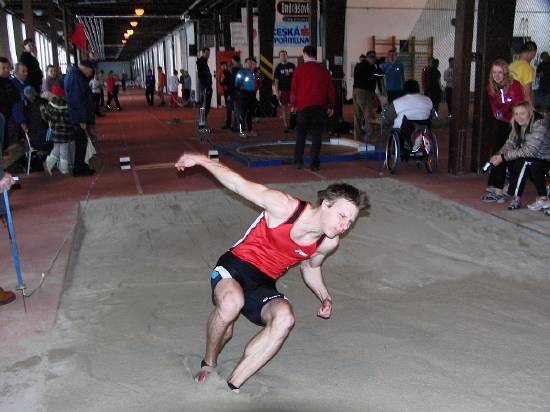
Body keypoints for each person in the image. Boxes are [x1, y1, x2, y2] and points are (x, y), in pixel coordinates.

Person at [174, 151, 370, 391]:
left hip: (263, 283)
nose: (344, 226)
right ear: (326, 204)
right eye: (342, 216)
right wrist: (201, 160)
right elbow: (237, 184)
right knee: (231, 303)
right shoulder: (284, 207)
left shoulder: (328, 242)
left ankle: (232, 386)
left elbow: (311, 267)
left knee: (285, 319)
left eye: (350, 222)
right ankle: (208, 364)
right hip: (235, 266)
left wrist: (324, 296)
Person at [482, 101, 550, 210]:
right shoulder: (517, 125)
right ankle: (499, 191)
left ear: (530, 113)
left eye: (522, 113)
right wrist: (498, 156)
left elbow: (530, 151)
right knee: (502, 156)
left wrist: (503, 157)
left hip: (543, 159)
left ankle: (517, 198)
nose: (519, 117)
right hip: (527, 156)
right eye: (516, 114)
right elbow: (510, 143)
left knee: (523, 162)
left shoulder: (539, 125)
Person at [291, 45, 335, 171]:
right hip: (319, 108)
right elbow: (330, 90)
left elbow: (294, 89)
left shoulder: (299, 69)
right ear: (315, 55)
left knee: (301, 135)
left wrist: (293, 105)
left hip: (303, 108)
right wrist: (330, 106)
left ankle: (298, 161)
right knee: (317, 137)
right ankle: (314, 164)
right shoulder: (324, 70)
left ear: (305, 54)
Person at [64, 59, 96, 176]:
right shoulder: (76, 77)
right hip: (77, 117)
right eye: (90, 72)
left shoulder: (75, 75)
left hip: (77, 116)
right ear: (86, 68)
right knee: (81, 143)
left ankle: (82, 166)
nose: (89, 75)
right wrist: (82, 119)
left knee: (82, 142)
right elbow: (77, 99)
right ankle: (79, 169)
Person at [382, 79, 433, 150]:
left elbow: (388, 117)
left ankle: (407, 143)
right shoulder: (427, 100)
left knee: (389, 125)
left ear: (404, 89)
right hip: (424, 128)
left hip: (403, 130)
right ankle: (418, 139)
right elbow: (431, 115)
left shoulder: (397, 102)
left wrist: (384, 124)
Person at [41, 85, 73, 175]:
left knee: (57, 148)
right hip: (66, 132)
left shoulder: (50, 105)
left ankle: (49, 164)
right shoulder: (67, 105)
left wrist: (42, 110)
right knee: (63, 151)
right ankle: (63, 169)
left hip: (56, 131)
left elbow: (47, 117)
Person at [352, 50, 382, 141]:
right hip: (365, 93)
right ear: (371, 58)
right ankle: (372, 137)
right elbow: (379, 75)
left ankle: (357, 137)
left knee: (357, 117)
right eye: (374, 59)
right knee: (369, 116)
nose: (374, 61)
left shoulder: (358, 65)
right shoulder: (370, 67)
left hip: (355, 91)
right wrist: (378, 66)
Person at [274, 50, 296, 133]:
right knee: (284, 108)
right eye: (281, 55)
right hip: (283, 91)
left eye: (284, 55)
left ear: (287, 56)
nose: (283, 56)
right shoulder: (278, 67)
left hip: (292, 90)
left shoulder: (292, 66)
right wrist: (277, 92)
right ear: (279, 57)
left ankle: (291, 124)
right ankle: (286, 125)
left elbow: (296, 78)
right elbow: (276, 81)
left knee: (293, 108)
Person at [509, 41, 537, 106]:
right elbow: (527, 94)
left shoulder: (512, 65)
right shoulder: (527, 68)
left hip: (509, 103)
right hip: (519, 105)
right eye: (534, 55)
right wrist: (531, 109)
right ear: (533, 53)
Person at [234, 58, 257, 136]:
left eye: (251, 63)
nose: (250, 64)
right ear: (245, 63)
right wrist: (241, 90)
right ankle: (242, 131)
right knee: (242, 113)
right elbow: (237, 83)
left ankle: (250, 130)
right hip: (243, 94)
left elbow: (253, 83)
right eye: (248, 63)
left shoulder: (252, 72)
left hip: (251, 94)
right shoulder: (241, 72)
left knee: (250, 113)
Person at [197, 48, 213, 127]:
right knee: (204, 106)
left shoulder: (204, 62)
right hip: (205, 87)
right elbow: (201, 75)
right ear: (202, 53)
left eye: (209, 54)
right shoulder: (201, 62)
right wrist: (206, 86)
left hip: (207, 86)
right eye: (206, 53)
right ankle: (201, 124)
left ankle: (202, 123)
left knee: (206, 105)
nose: (208, 55)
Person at [219, 61, 234, 129]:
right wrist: (221, 80)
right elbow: (221, 83)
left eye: (224, 66)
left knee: (229, 109)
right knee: (229, 109)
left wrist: (229, 94)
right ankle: (229, 123)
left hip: (229, 93)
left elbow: (230, 84)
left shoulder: (228, 73)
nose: (223, 67)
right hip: (227, 93)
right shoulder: (223, 73)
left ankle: (229, 124)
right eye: (222, 66)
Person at [230, 55, 242, 131]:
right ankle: (235, 125)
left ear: (234, 61)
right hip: (242, 92)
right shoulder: (242, 69)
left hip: (235, 92)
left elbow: (232, 82)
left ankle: (239, 126)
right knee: (237, 109)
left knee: (237, 110)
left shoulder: (234, 70)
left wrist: (230, 93)